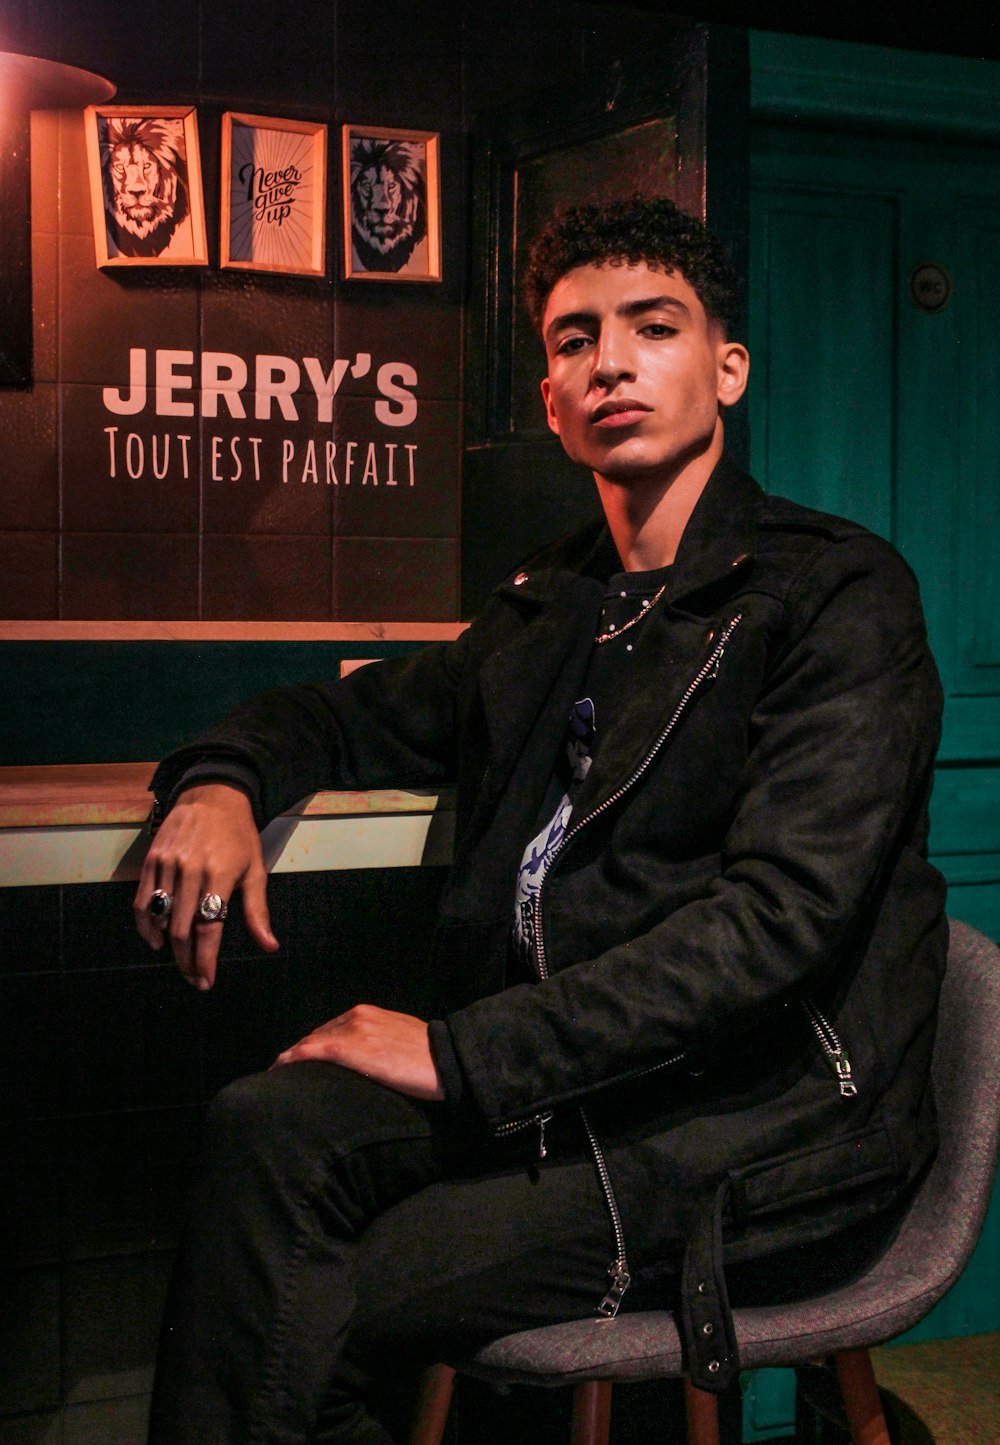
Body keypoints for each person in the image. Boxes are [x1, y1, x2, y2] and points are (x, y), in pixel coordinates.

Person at [136, 195, 946, 1444]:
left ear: (725, 367)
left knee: (317, 1307)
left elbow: (773, 926)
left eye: (652, 326)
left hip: (762, 1115)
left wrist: (464, 1057)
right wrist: (222, 780)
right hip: (584, 1087)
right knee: (265, 1129)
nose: (608, 362)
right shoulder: (553, 605)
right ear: (555, 401)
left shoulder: (834, 594)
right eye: (572, 341)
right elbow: (340, 716)